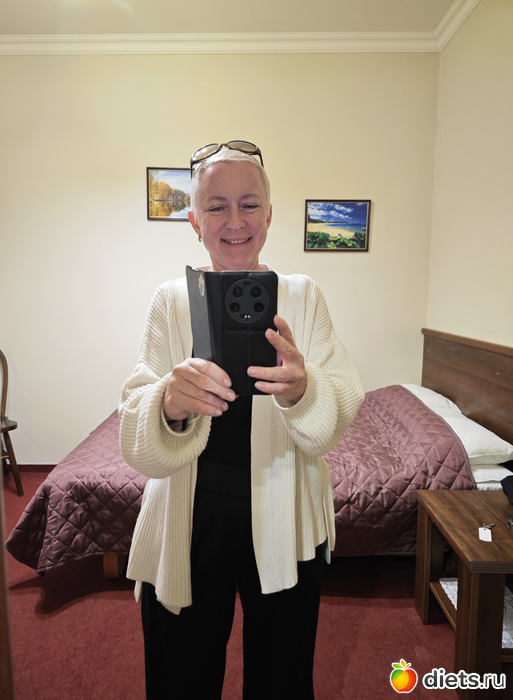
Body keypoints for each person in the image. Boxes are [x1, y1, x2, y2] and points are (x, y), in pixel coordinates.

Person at [119, 140, 364, 699]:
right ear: (194, 221)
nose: (235, 221)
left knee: (282, 674)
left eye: (249, 204)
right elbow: (133, 434)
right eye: (217, 206)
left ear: (270, 215)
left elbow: (343, 405)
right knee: (181, 673)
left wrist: (305, 390)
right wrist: (168, 404)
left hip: (287, 511)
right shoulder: (169, 300)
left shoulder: (303, 296)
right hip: (186, 514)